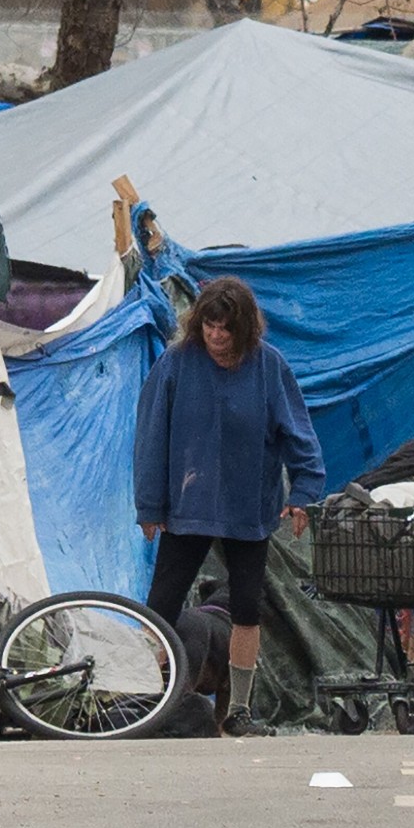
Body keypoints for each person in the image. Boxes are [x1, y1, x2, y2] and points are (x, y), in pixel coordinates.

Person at [134, 276, 325, 737]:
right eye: (209, 326)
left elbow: (298, 432)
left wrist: (304, 491)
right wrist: (149, 504)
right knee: (160, 604)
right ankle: (140, 697)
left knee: (246, 608)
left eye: (226, 328)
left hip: (248, 506)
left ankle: (237, 710)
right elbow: (151, 434)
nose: (217, 337)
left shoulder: (269, 367)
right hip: (189, 502)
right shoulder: (177, 363)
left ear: (244, 330)